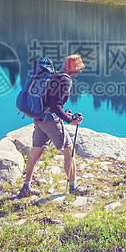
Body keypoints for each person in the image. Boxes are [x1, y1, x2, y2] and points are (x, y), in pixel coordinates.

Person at [18, 54, 90, 197]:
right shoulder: (65, 80)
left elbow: (49, 100)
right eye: (79, 68)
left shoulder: (56, 75)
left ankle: (26, 187)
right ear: (73, 69)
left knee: (35, 154)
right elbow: (55, 105)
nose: (80, 71)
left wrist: (65, 113)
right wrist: (70, 120)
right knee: (69, 152)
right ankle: (73, 188)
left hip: (39, 119)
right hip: (50, 121)